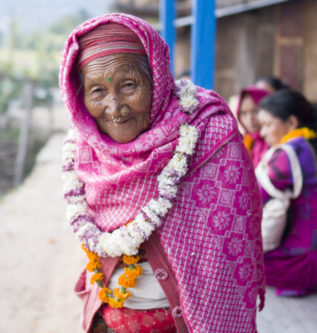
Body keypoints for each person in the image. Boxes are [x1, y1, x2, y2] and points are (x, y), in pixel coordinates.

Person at [59, 14, 264, 333]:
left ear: (157, 79)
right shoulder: (84, 148)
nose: (114, 108)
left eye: (128, 85)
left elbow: (228, 255)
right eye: (97, 91)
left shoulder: (207, 133)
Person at [256, 90, 317, 297]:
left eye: (267, 125)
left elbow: (253, 196)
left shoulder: (287, 153)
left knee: (232, 259)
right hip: (309, 254)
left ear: (291, 123)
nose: (262, 133)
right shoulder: (306, 146)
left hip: (299, 263)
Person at [236, 86, 270, 168]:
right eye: (244, 113)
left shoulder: (275, 141)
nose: (250, 119)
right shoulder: (244, 143)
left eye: (255, 111)